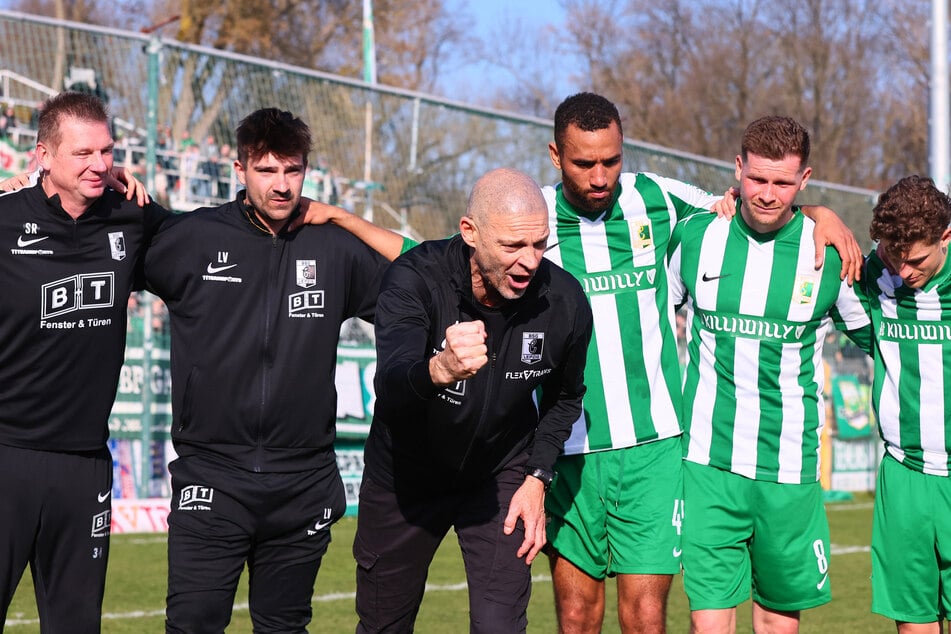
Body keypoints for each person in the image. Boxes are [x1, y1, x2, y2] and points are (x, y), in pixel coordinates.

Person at [303, 92, 861, 633]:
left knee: (645, 617)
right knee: (576, 617)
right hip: (567, 452)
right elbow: (432, 253)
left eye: (612, 160)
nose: (600, 176)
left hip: (654, 444)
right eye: (584, 162)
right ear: (555, 156)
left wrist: (819, 213)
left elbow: (754, 204)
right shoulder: (529, 221)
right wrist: (346, 220)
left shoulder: (659, 200)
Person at [144, 108, 389, 633]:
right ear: (239, 169)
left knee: (283, 627)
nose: (281, 185)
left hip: (304, 482)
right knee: (191, 624)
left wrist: (347, 218)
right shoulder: (194, 236)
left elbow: (418, 283)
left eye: (292, 170)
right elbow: (109, 254)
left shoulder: (334, 247)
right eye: (267, 170)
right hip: (212, 475)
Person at [353, 167, 593, 633]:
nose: (529, 261)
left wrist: (538, 477)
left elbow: (567, 398)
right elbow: (393, 387)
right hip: (406, 477)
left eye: (540, 244)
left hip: (499, 474)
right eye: (512, 246)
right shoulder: (413, 279)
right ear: (470, 233)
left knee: (499, 626)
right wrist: (439, 369)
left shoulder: (564, 300)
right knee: (383, 626)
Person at [667, 115, 871, 634]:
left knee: (777, 623)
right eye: (757, 179)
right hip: (707, 462)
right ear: (738, 170)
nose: (767, 194)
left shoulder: (830, 254)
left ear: (805, 181)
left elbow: (881, 341)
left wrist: (826, 215)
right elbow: (653, 326)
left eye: (783, 183)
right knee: (709, 624)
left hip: (790, 468)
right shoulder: (695, 237)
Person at [0, 91, 167, 632]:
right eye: (83, 153)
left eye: (107, 152)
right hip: (5, 455)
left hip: (85, 463)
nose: (100, 165)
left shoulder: (133, 220)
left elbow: (212, 248)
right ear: (43, 155)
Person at [856, 175, 951, 633]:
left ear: (946, 237)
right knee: (914, 621)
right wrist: (821, 216)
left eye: (914, 260)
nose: (902, 272)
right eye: (894, 257)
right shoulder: (878, 273)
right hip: (905, 473)